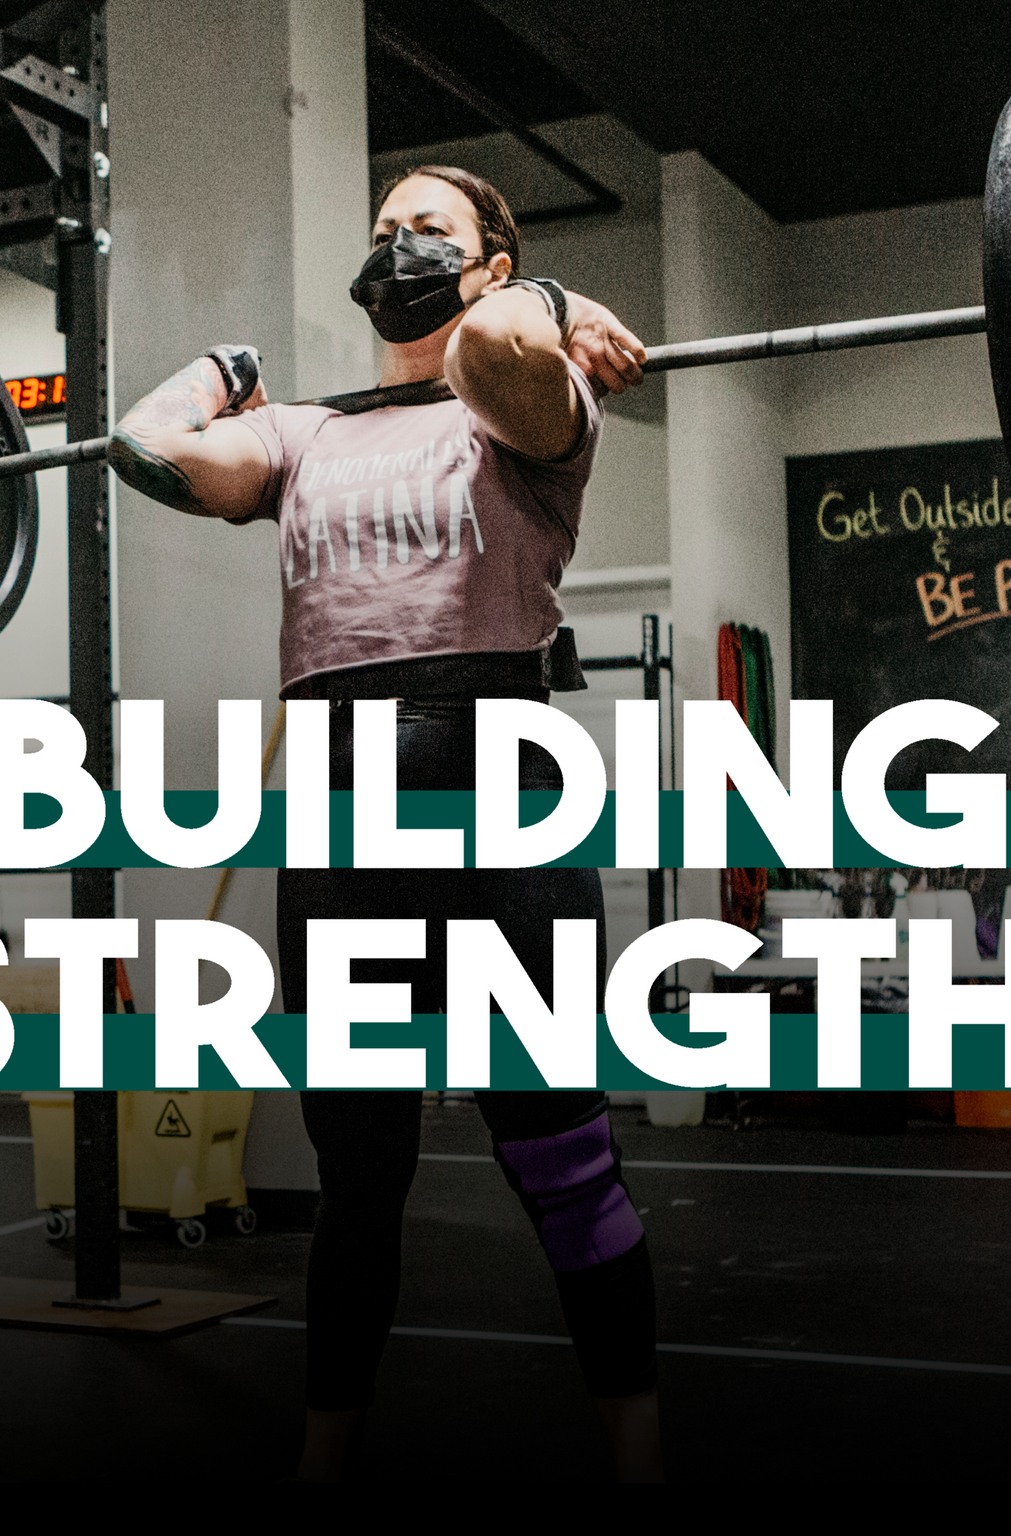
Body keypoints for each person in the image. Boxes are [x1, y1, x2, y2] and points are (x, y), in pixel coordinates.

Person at [108, 166, 659, 1482]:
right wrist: (223, 365)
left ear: (489, 263)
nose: (395, 246)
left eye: (428, 229)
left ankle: (637, 1460)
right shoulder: (303, 433)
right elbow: (146, 446)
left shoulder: (534, 401)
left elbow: (493, 347)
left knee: (562, 1164)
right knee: (356, 1177)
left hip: (500, 800)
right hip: (345, 823)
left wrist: (549, 299)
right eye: (382, 231)